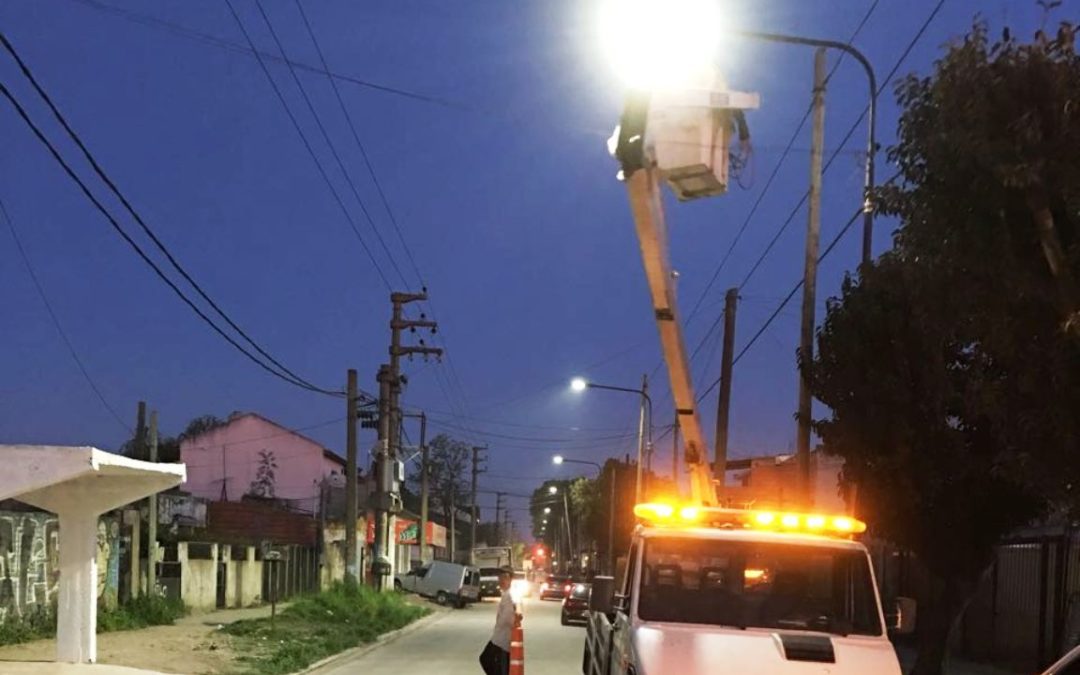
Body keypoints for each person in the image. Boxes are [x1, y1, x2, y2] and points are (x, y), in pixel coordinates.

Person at [479, 567, 519, 675]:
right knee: (499, 665)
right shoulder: (506, 594)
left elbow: (508, 618)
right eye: (500, 577)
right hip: (500, 637)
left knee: (487, 660)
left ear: (511, 579)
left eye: (505, 578)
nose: (501, 581)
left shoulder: (510, 595)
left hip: (503, 638)